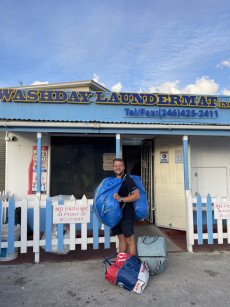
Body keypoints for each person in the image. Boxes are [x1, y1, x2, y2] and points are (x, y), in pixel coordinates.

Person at [112, 158, 140, 255]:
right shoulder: (113, 180)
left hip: (126, 213)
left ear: (123, 167)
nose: (118, 168)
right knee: (121, 238)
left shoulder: (128, 179)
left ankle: (133, 264)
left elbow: (137, 195)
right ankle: (122, 263)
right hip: (116, 215)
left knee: (129, 239)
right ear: (113, 168)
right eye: (116, 166)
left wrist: (122, 199)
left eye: (120, 165)